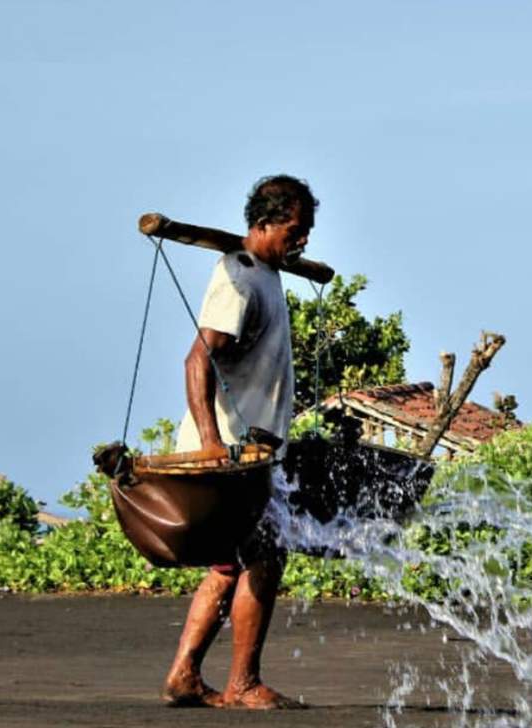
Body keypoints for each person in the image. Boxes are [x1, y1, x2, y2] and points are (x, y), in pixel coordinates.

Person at [160, 174, 317, 709]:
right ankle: (244, 683)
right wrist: (209, 443)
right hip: (230, 453)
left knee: (230, 565)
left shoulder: (265, 274)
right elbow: (197, 359)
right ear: (265, 222)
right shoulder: (239, 278)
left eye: (307, 231)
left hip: (254, 451)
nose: (302, 241)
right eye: (295, 229)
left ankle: (184, 674)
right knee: (264, 556)